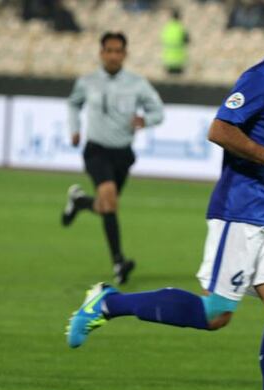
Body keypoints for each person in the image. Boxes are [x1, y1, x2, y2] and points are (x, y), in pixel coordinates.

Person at [66, 1, 264, 390]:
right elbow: (219, 129)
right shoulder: (262, 77)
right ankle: (110, 303)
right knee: (215, 314)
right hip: (239, 211)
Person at [62, 32, 164, 284]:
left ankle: (81, 202)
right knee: (109, 200)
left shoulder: (137, 83)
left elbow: (158, 111)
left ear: (125, 54)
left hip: (123, 154)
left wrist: (145, 119)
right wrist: (74, 129)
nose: (113, 55)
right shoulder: (87, 82)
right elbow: (74, 104)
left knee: (106, 206)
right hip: (96, 149)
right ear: (101, 53)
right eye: (109, 50)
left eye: (118, 51)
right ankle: (119, 262)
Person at [161, 8, 189, 75]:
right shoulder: (181, 28)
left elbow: (162, 40)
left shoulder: (167, 28)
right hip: (179, 61)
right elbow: (187, 40)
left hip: (168, 60)